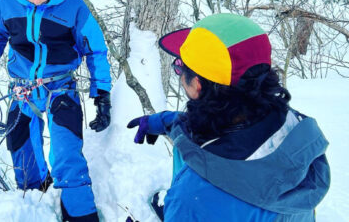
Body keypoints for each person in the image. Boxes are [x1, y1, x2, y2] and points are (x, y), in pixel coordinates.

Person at [127, 13, 330, 221]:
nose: (178, 72)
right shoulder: (290, 130)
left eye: (180, 66)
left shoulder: (191, 198)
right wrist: (163, 122)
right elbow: (219, 130)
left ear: (197, 84)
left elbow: (202, 196)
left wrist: (184, 213)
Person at [0, 0, 111, 221]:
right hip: (22, 87)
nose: (36, 0)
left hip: (60, 87)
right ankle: (34, 198)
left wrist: (101, 92)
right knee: (19, 145)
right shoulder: (3, 4)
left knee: (67, 151)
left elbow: (95, 49)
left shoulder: (73, 5)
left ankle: (80, 214)